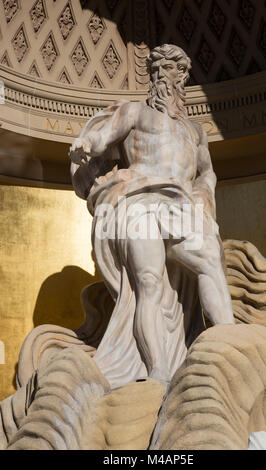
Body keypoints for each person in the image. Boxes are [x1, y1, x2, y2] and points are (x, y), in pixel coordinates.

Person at [70, 44, 234, 387]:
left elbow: (207, 173)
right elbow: (102, 137)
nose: (163, 76)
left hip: (183, 204)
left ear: (183, 77)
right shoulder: (134, 112)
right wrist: (88, 143)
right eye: (157, 70)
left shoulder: (196, 130)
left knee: (209, 262)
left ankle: (230, 347)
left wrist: (204, 195)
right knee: (148, 282)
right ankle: (157, 368)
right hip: (139, 201)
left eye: (171, 70)